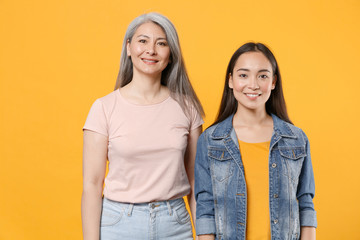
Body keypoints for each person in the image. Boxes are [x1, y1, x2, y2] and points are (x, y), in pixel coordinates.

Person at [82, 12, 204, 240]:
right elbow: (92, 184)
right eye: (143, 41)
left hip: (175, 224)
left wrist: (206, 235)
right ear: (128, 48)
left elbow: (197, 181)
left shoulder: (187, 108)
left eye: (162, 43)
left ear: (170, 55)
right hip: (118, 224)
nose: (151, 50)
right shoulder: (104, 108)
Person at [194, 42, 316, 240]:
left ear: (273, 82)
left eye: (263, 76)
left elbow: (305, 202)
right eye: (243, 75)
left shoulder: (296, 139)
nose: (253, 84)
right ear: (230, 80)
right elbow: (205, 207)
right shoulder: (210, 140)